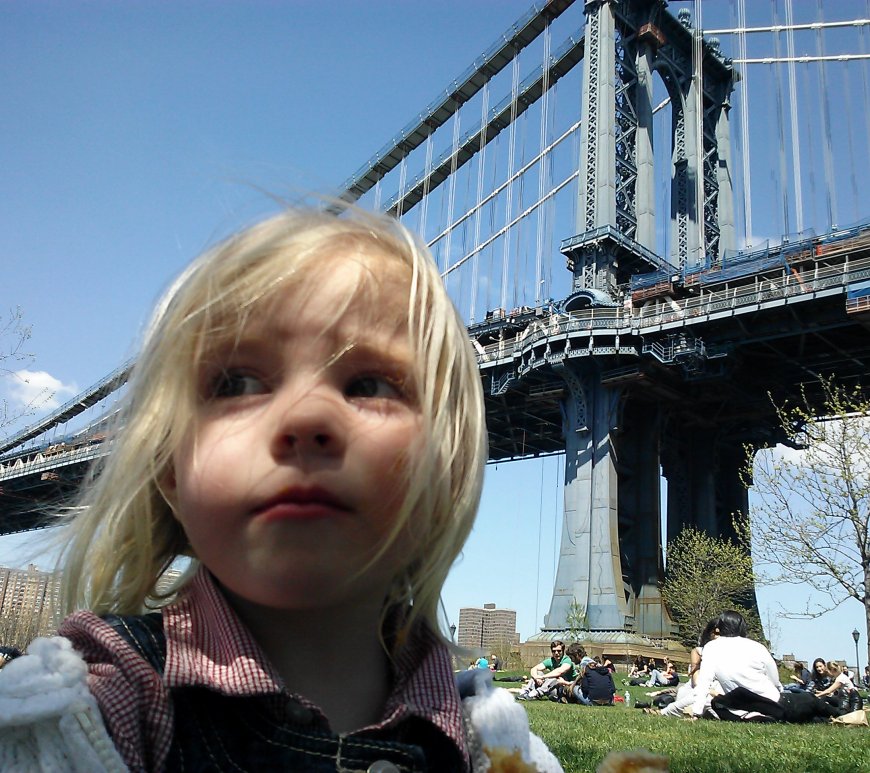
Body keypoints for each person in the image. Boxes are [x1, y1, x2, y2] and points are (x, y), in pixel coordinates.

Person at [0, 208, 563, 773]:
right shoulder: (88, 716)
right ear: (170, 470)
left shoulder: (495, 745)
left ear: (449, 471)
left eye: (368, 383)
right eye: (236, 383)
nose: (305, 416)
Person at [691, 610, 782, 719]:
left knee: (716, 703)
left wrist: (696, 712)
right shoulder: (757, 646)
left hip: (739, 704)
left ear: (719, 628)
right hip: (771, 700)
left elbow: (704, 681)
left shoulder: (711, 647)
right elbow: (774, 679)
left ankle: (752, 715)